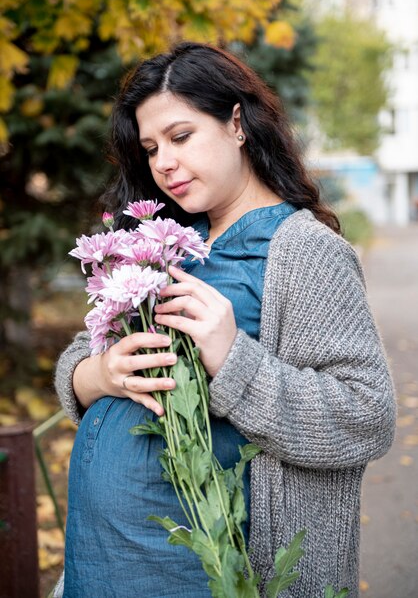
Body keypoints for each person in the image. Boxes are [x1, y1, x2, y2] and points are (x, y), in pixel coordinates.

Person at [54, 42, 396, 598]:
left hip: (206, 574)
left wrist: (235, 361)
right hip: (103, 563)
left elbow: (365, 415)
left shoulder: (303, 251)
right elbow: (80, 352)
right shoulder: (164, 245)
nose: (163, 162)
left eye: (180, 136)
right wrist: (98, 376)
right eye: (149, 148)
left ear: (236, 123)